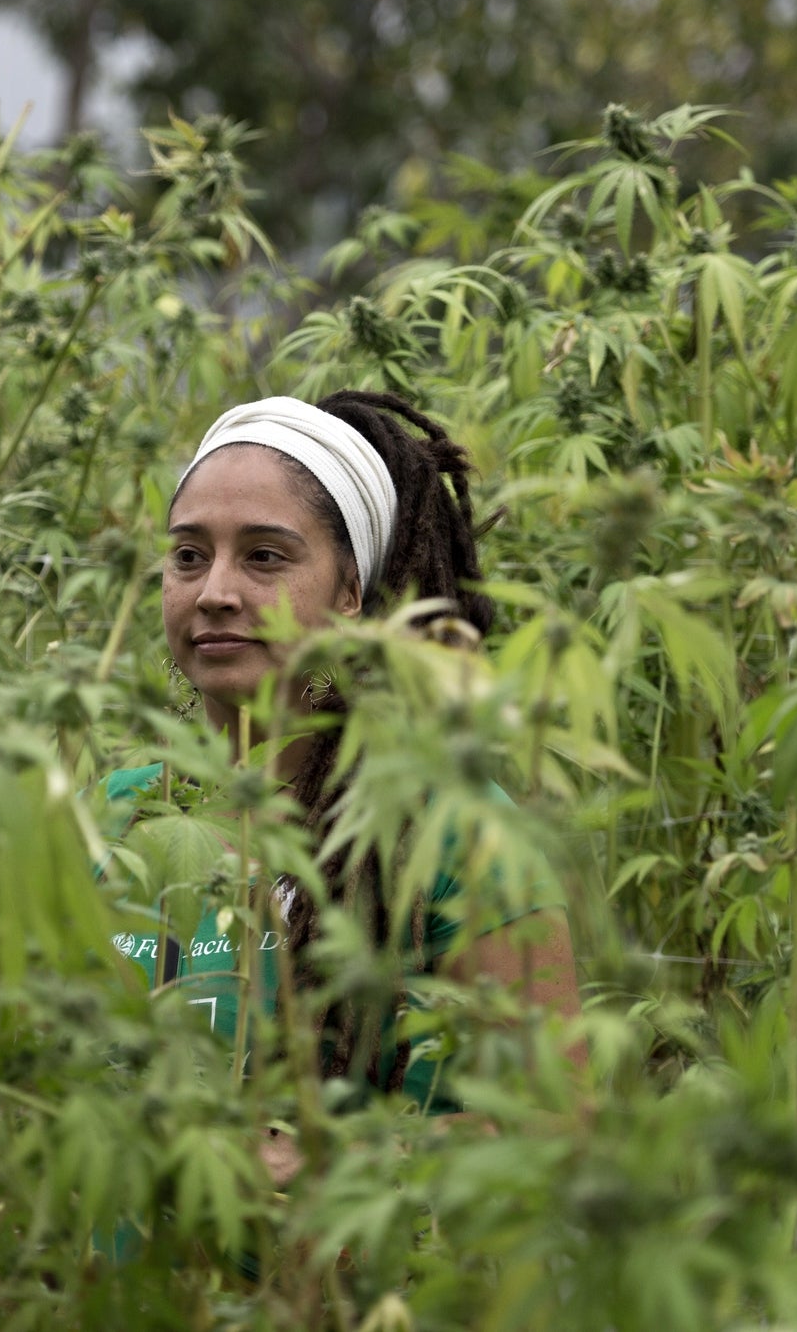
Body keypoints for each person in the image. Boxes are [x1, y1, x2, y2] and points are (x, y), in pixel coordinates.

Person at [100, 390, 579, 1186]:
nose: (215, 589)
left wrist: (333, 1164)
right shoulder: (120, 809)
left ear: (350, 593)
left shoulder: (457, 836)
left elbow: (551, 1127)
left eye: (265, 556)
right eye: (189, 555)